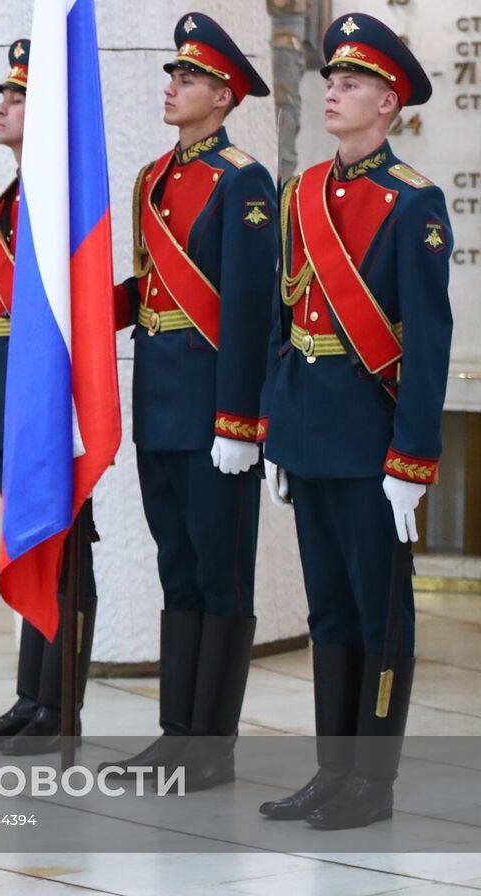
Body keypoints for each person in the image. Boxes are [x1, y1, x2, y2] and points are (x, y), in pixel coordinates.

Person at [258, 13, 451, 831]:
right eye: (329, 81)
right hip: (310, 437)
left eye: (349, 84)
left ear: (388, 101)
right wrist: (274, 426)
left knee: (382, 614)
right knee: (329, 612)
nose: (330, 93)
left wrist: (411, 462)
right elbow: (283, 319)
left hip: (372, 445)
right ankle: (332, 769)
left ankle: (374, 781)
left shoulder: (415, 205)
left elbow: (429, 342)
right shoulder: (301, 195)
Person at [99, 13, 276, 791]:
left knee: (221, 574)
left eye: (188, 78)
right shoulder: (152, 179)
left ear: (224, 94)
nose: (171, 87)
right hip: (160, 401)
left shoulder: (244, 181)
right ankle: (177, 734)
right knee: (179, 569)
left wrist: (239, 420)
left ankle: (214, 744)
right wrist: (84, 311)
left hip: (214, 412)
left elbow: (246, 307)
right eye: (172, 76)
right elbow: (150, 291)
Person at [0, 39, 98, 757]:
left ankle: (58, 704)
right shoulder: (14, 199)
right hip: (8, 393)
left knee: (64, 551)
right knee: (30, 544)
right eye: (3, 95)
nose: (2, 106)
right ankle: (29, 697)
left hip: (46, 399)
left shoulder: (60, 200)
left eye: (16, 98)